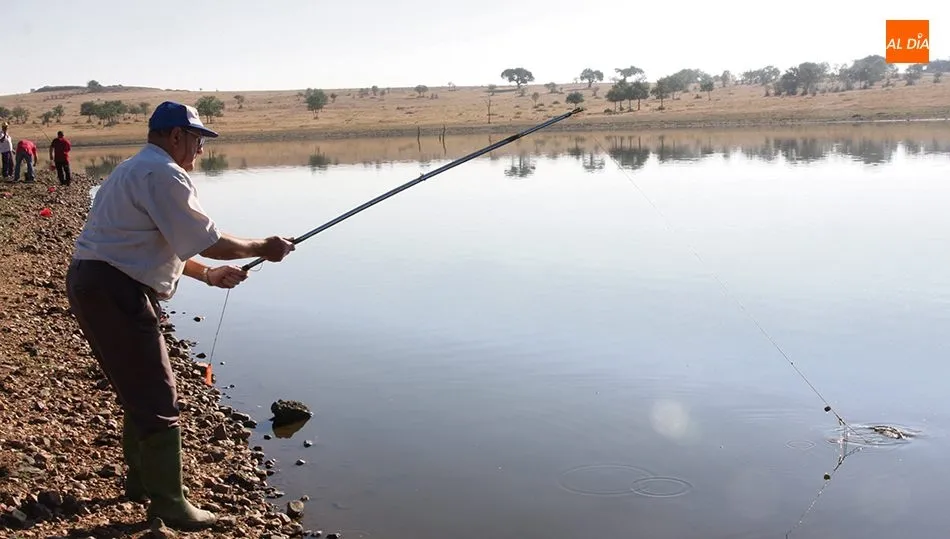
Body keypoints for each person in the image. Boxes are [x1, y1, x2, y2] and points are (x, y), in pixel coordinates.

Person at [65, 101, 295, 530]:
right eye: (197, 139)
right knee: (157, 393)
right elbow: (207, 241)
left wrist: (208, 276)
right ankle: (169, 502)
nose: (201, 150)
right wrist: (265, 246)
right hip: (114, 289)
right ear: (176, 136)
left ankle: (141, 483)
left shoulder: (132, 169)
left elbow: (164, 244)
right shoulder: (165, 174)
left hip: (96, 283)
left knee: (137, 386)